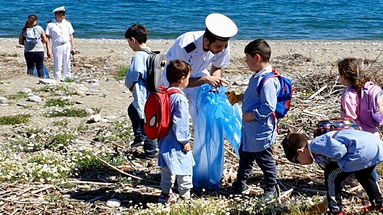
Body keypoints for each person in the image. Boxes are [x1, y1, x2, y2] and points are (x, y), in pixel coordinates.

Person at [163, 13, 237, 188]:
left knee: (202, 122)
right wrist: (206, 80)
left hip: (199, 79)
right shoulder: (186, 45)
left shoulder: (222, 46)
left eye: (224, 46)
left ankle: (197, 166)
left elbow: (217, 67)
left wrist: (215, 81)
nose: (221, 49)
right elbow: (179, 80)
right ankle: (172, 167)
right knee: (176, 123)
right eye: (218, 46)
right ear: (206, 40)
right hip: (174, 81)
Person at [282, 130, 383, 214]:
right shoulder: (319, 145)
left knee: (331, 175)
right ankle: (378, 204)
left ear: (300, 151)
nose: (301, 164)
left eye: (297, 161)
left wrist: (333, 162)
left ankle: (336, 210)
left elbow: (340, 151)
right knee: (364, 175)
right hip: (374, 147)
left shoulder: (316, 145)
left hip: (360, 151)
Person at [231, 39, 280, 201]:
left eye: (247, 58)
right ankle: (240, 183)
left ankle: (271, 187)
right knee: (245, 157)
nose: (246, 62)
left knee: (264, 160)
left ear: (257, 57)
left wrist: (251, 115)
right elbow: (254, 97)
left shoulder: (268, 81)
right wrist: (239, 97)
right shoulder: (257, 77)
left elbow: (268, 106)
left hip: (261, 131)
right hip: (250, 130)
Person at [158, 59, 194, 203]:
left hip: (164, 138)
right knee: (184, 169)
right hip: (176, 141)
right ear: (182, 78)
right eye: (189, 77)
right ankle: (185, 196)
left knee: (166, 170)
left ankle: (164, 195)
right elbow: (181, 122)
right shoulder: (180, 98)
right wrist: (185, 140)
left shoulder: (165, 94)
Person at [124, 24, 157, 159]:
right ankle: (139, 137)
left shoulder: (138, 55)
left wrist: (128, 84)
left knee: (146, 120)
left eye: (128, 42)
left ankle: (149, 151)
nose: (129, 45)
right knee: (133, 110)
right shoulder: (152, 53)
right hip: (154, 91)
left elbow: (135, 73)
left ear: (133, 40)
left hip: (143, 91)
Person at [338, 58, 380, 135]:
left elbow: (350, 119)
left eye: (340, 75)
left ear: (344, 76)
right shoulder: (367, 87)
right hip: (374, 133)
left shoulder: (349, 95)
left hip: (360, 135)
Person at [45, 6, 76, 80]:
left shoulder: (67, 23)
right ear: (57, 14)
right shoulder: (50, 25)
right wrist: (48, 50)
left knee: (67, 63)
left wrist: (73, 46)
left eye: (64, 13)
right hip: (57, 46)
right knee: (58, 63)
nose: (64, 15)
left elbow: (71, 35)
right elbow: (47, 38)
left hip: (67, 45)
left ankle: (67, 78)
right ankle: (57, 79)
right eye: (62, 13)